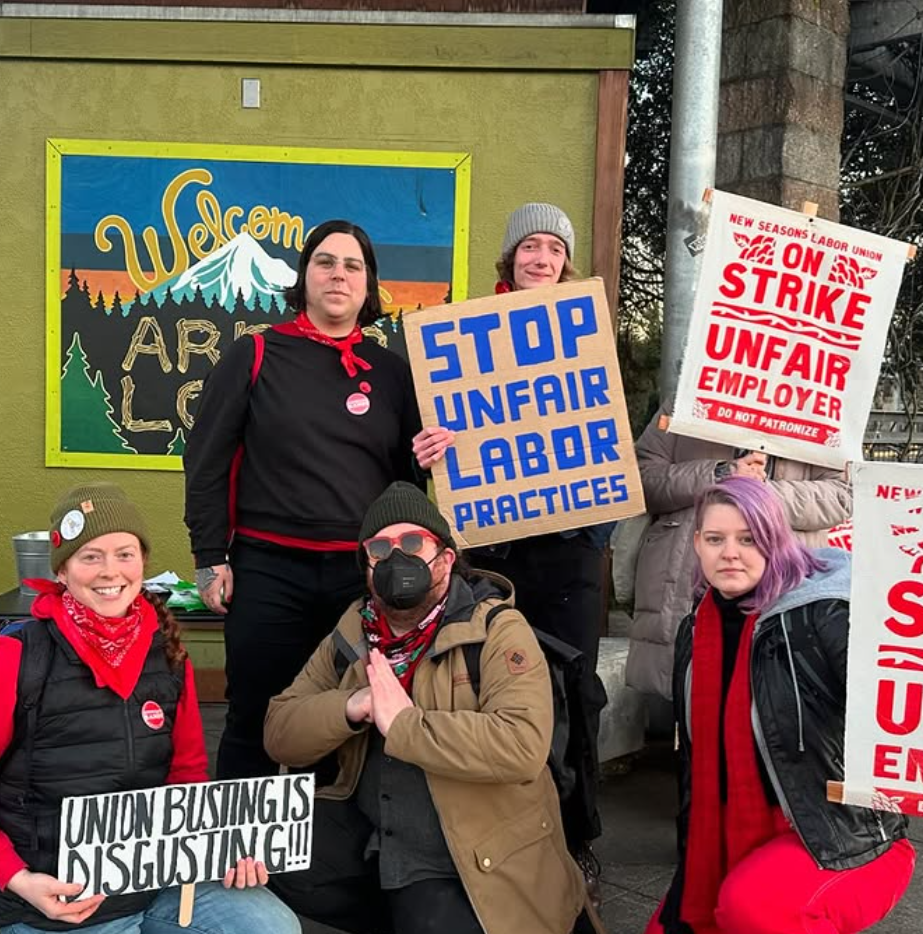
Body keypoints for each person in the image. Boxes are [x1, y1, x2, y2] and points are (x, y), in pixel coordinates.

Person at [265, 482, 612, 934]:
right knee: (273, 848)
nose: (394, 560)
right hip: (381, 829)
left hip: (464, 847)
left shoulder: (497, 628)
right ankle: (410, 930)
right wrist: (352, 707)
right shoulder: (354, 630)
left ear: (445, 558)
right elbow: (280, 728)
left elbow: (522, 743)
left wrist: (403, 724)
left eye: (410, 543)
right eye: (378, 549)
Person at [0, 484, 302, 934]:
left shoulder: (167, 652)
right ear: (61, 571)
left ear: (143, 560)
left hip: (148, 879)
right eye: (90, 557)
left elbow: (188, 771)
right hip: (56, 904)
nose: (110, 572)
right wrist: (16, 879)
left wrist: (218, 846)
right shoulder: (16, 656)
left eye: (125, 553)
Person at [634, 477, 915, 934]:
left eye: (748, 537)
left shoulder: (826, 613)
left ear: (776, 539)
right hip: (736, 846)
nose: (729, 553)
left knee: (758, 904)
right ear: (698, 547)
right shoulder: (698, 627)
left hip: (839, 839)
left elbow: (895, 692)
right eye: (714, 539)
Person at [412, 202, 611, 885]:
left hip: (568, 551)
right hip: (489, 554)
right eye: (530, 246)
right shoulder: (461, 341)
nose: (542, 260)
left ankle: (576, 837)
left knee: (576, 693)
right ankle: (489, 837)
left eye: (554, 250)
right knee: (487, 690)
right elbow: (433, 445)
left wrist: (596, 527)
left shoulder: (589, 336)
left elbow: (609, 442)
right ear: (509, 257)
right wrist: (429, 450)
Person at [185, 219, 422, 782]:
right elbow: (206, 461)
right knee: (258, 711)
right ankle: (240, 855)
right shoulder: (257, 354)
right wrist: (209, 557)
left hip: (360, 577)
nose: (338, 275)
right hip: (268, 571)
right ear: (304, 277)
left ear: (368, 287)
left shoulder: (394, 373)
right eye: (325, 262)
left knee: (351, 715)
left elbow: (408, 480)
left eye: (352, 266)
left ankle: (328, 854)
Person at [626, 404, 852, 713]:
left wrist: (762, 495)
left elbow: (844, 494)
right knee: (694, 703)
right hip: (690, 579)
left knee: (776, 710)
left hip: (785, 584)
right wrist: (720, 473)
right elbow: (639, 478)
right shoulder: (688, 396)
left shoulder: (821, 404)